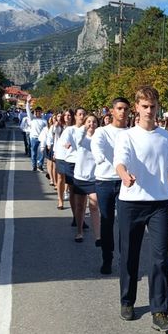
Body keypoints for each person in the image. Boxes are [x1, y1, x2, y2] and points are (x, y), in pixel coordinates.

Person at [114, 85, 168, 333]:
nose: (149, 110)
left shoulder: (167, 137)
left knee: (160, 258)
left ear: (157, 107)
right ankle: (127, 300)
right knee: (129, 255)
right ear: (136, 108)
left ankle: (159, 310)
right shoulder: (127, 136)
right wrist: (124, 176)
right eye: (144, 106)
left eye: (153, 106)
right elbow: (120, 161)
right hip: (131, 202)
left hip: (159, 204)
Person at [91, 97, 129, 275]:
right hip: (105, 180)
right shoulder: (102, 132)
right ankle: (107, 257)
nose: (122, 112)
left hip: (125, 182)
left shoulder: (132, 132)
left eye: (126, 109)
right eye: (119, 108)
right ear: (112, 111)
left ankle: (125, 260)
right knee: (107, 221)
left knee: (126, 223)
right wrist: (101, 158)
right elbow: (97, 148)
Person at [72, 114, 102, 244]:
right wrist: (84, 127)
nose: (92, 124)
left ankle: (98, 236)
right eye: (89, 121)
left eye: (94, 122)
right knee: (80, 206)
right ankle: (79, 231)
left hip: (95, 177)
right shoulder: (81, 137)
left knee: (94, 204)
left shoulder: (99, 138)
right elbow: (77, 138)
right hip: (80, 176)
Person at [26, 99, 47, 172]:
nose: (38, 113)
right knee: (34, 152)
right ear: (35, 112)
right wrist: (28, 102)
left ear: (41, 112)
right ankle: (34, 165)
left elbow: (46, 130)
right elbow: (28, 111)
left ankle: (40, 165)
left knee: (42, 152)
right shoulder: (32, 119)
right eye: (37, 111)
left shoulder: (44, 121)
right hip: (33, 138)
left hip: (42, 139)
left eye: (39, 111)